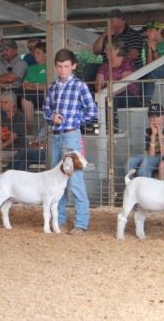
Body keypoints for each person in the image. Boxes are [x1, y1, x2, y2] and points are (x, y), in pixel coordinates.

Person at [44, 49, 97, 235]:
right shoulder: (53, 87)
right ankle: (59, 218)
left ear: (73, 66)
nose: (62, 70)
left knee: (75, 179)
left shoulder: (80, 86)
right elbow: (46, 109)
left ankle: (81, 222)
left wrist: (74, 119)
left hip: (71, 135)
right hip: (56, 135)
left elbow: (92, 111)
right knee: (56, 178)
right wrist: (52, 116)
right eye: (59, 66)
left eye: (66, 66)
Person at [126, 103, 164, 179]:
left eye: (157, 116)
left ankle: (142, 188)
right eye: (151, 117)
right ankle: (131, 185)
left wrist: (160, 134)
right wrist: (153, 135)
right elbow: (151, 154)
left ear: (163, 116)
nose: (154, 119)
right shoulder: (148, 131)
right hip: (153, 156)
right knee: (131, 161)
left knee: (146, 161)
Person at [95, 41, 140, 114]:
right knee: (104, 98)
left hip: (128, 95)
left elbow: (125, 84)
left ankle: (113, 122)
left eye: (108, 49)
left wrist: (111, 92)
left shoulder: (127, 63)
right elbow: (98, 84)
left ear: (117, 50)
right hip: (108, 94)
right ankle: (107, 122)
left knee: (113, 98)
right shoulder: (105, 65)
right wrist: (104, 92)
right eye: (105, 49)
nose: (105, 51)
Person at [141, 21, 164, 105]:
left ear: (159, 30)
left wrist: (154, 49)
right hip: (154, 73)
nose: (147, 33)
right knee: (148, 70)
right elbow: (148, 66)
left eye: (150, 30)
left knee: (155, 69)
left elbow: (163, 64)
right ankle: (145, 100)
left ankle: (147, 100)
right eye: (147, 31)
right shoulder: (147, 44)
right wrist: (149, 48)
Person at [21, 42, 47, 127]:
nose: (35, 55)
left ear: (46, 53)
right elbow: (25, 84)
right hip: (32, 94)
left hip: (46, 95)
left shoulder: (51, 67)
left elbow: (48, 85)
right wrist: (39, 85)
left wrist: (32, 85)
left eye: (38, 52)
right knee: (25, 96)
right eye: (34, 53)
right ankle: (30, 128)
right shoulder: (31, 68)